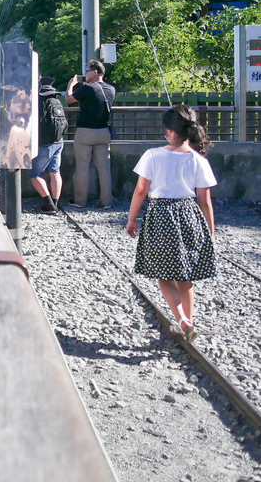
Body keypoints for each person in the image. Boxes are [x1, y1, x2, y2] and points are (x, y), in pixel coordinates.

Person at [125, 105, 216, 342]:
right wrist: (210, 233)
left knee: (163, 274)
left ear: (169, 132)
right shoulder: (199, 160)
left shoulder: (152, 155)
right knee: (185, 276)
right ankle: (189, 321)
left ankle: (182, 320)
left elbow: (141, 190)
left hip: (160, 217)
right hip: (189, 216)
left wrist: (132, 218)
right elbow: (205, 202)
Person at [65, 59, 115, 208]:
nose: (85, 74)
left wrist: (71, 85)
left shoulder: (87, 88)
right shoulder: (111, 89)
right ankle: (107, 202)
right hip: (104, 132)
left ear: (94, 72)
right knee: (104, 169)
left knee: (82, 167)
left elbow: (68, 100)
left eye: (87, 71)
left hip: (85, 132)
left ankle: (80, 201)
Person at [31, 78, 67, 213]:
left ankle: (49, 204)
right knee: (55, 172)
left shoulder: (39, 102)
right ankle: (56, 202)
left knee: (34, 174)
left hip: (44, 144)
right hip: (59, 141)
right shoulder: (56, 101)